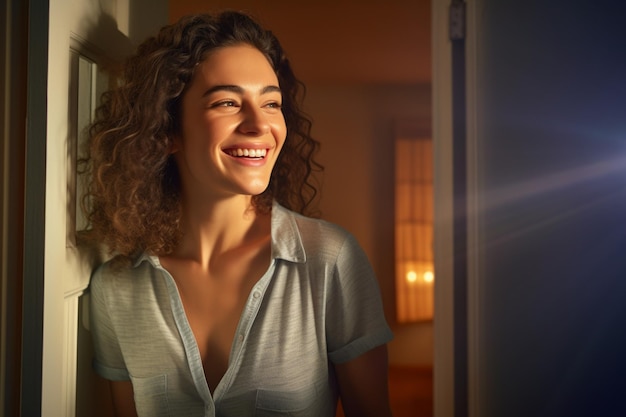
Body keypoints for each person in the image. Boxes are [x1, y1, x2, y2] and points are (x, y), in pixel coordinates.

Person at [84, 10, 393, 417]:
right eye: (228, 102)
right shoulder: (115, 289)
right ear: (167, 129)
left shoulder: (331, 260)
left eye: (271, 103)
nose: (259, 125)